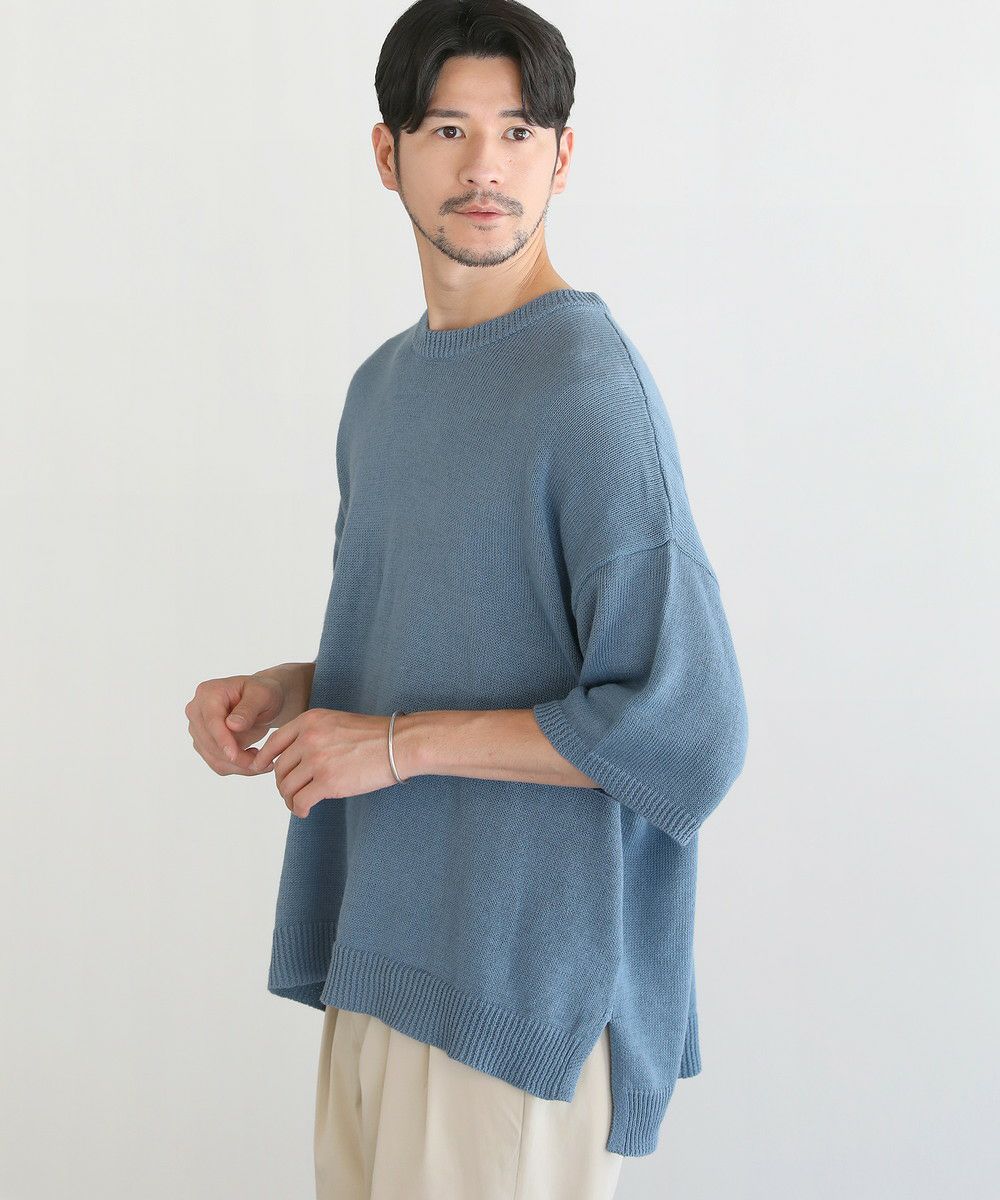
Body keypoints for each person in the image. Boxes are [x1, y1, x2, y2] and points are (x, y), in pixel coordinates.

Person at [185, 1, 750, 1196]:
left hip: (516, 997)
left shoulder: (588, 390)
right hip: (382, 957)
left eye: (517, 131)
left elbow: (687, 729)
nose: (484, 166)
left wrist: (395, 746)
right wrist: (292, 690)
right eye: (448, 128)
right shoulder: (383, 389)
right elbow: (459, 630)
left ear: (563, 156)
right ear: (386, 152)